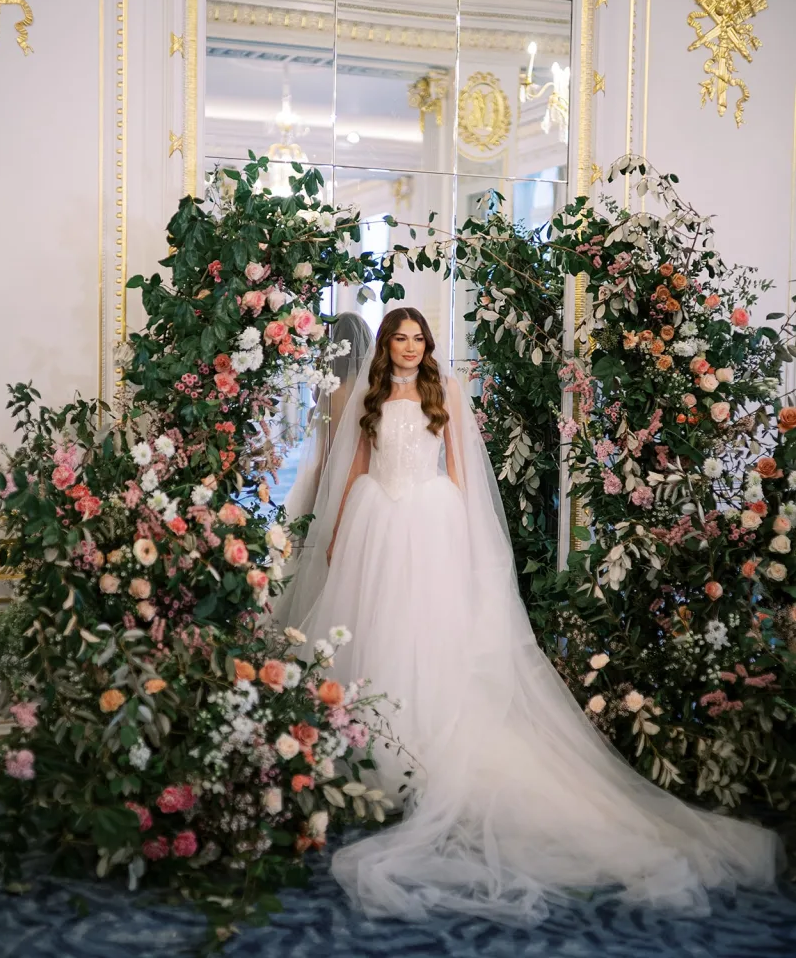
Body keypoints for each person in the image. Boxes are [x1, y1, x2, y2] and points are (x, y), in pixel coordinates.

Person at [287, 306, 782, 926]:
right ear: (385, 345)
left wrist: (469, 537)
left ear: (427, 345)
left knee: (427, 628)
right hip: (375, 520)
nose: (410, 348)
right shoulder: (371, 397)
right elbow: (358, 465)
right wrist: (337, 531)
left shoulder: (447, 390)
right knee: (370, 622)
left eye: (418, 338)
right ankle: (373, 736)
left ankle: (422, 737)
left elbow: (464, 473)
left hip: (432, 520)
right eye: (400, 338)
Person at [283, 311, 373, 523]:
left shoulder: (335, 392)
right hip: (370, 478)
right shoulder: (375, 390)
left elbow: (329, 450)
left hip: (339, 476)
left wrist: (316, 489)